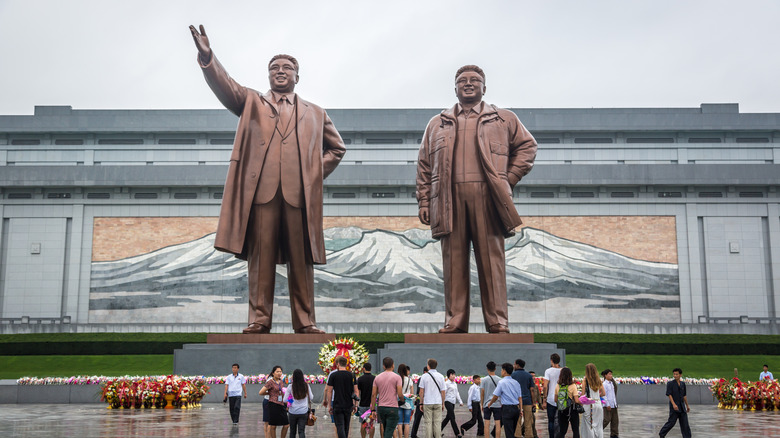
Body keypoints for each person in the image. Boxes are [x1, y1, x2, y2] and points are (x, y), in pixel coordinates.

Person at [188, 24, 347, 334]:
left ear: (297, 77)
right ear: (268, 75)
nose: (280, 71)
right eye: (274, 68)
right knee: (260, 262)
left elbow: (337, 149)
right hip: (261, 195)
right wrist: (208, 57)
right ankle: (260, 319)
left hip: (299, 197)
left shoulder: (315, 112)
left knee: (301, 262)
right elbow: (226, 86)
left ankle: (305, 321)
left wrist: (312, 175)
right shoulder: (252, 103)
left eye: (287, 68)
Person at [416, 64, 537, 334]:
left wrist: (508, 178)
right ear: (455, 88)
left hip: (488, 197)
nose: (468, 84)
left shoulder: (503, 119)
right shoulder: (438, 123)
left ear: (484, 87)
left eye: (474, 80)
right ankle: (455, 321)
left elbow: (528, 147)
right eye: (462, 81)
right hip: (449, 199)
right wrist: (424, 201)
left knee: (491, 261)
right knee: (453, 262)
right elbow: (424, 165)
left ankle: (497, 321)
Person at [325, 356, 359, 438]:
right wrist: (356, 404)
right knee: (346, 427)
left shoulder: (333, 375)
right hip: (348, 404)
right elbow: (356, 391)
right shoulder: (351, 375)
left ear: (338, 364)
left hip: (337, 403)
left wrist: (330, 405)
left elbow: (329, 391)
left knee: (339, 426)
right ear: (346, 364)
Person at [486, 363, 523, 438]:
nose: (501, 371)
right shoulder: (516, 383)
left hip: (507, 409)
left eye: (502, 370)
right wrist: (521, 410)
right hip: (516, 409)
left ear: (504, 371)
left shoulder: (502, 382)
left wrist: (490, 403)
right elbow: (520, 398)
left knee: (509, 432)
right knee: (512, 431)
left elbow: (496, 396)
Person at [372, 357, 404, 438]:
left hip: (381, 407)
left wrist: (373, 409)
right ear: (393, 365)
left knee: (386, 428)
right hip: (392, 407)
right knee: (389, 430)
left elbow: (373, 394)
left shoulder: (377, 377)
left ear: (383, 366)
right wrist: (402, 400)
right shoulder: (397, 377)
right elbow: (400, 393)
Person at [658, 368, 691, 438]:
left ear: (680, 375)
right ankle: (662, 433)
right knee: (671, 422)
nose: (675, 376)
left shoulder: (683, 384)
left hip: (682, 407)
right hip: (674, 407)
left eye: (677, 374)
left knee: (685, 424)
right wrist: (673, 404)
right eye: (674, 374)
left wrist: (687, 406)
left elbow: (684, 395)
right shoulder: (670, 384)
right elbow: (669, 394)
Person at [259, 365, 290, 438]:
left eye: (280, 371)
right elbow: (261, 392)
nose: (279, 373)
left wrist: (287, 403)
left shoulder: (281, 381)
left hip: (282, 404)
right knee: (273, 426)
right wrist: (269, 393)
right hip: (273, 404)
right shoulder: (270, 382)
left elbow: (282, 392)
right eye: (277, 372)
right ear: (273, 373)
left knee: (286, 425)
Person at [419, 358, 447, 438]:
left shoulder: (424, 376)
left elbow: (421, 392)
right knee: (437, 423)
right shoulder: (441, 376)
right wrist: (443, 403)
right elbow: (443, 392)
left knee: (428, 423)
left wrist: (421, 402)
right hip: (438, 402)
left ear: (428, 366)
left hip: (427, 402)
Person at [553, 367, 580, 438]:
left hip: (561, 410)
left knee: (562, 431)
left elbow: (555, 400)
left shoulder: (558, 385)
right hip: (572, 410)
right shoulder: (573, 386)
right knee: (575, 430)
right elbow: (577, 400)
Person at [287, 369, 315, 438]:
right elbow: (311, 397)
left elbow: (285, 399)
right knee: (301, 431)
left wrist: (291, 399)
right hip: (303, 412)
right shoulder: (306, 386)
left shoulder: (290, 386)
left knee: (292, 431)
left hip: (292, 412)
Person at [510, 359, 534, 438]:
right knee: (528, 421)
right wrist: (533, 402)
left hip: (516, 401)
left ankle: (517, 435)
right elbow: (532, 390)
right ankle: (529, 435)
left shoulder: (513, 375)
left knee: (518, 421)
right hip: (527, 401)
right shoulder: (529, 375)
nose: (513, 366)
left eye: (514, 364)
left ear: (517, 365)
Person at [580, 364, 605, 438]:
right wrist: (597, 396)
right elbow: (603, 393)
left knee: (589, 426)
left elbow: (583, 394)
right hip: (598, 404)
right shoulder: (599, 380)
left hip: (589, 405)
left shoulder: (585, 380)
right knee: (598, 426)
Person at [541, 354, 562, 438]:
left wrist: (544, 399)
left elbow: (545, 386)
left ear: (551, 360)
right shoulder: (563, 370)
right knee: (560, 420)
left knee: (551, 420)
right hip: (561, 397)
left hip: (550, 398)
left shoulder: (548, 371)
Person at [481, 361, 502, 438]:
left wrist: (482, 404)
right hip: (497, 404)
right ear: (495, 369)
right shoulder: (500, 380)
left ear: (487, 369)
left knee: (486, 423)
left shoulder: (484, 380)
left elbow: (482, 392)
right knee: (498, 423)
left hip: (487, 404)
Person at [441, 369, 464, 437]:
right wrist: (442, 402)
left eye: (454, 374)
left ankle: (438, 430)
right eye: (452, 374)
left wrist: (460, 401)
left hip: (453, 402)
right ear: (449, 375)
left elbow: (457, 393)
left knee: (448, 418)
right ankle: (457, 433)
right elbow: (443, 393)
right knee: (452, 417)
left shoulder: (454, 384)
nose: (454, 376)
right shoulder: (446, 383)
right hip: (447, 401)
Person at [358, 363, 377, 438]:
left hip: (363, 404)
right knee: (371, 423)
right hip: (372, 405)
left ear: (364, 369)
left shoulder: (360, 379)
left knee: (363, 423)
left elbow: (358, 392)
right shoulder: (375, 378)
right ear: (371, 369)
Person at [397, 364, 414, 438]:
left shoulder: (397, 379)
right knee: (407, 423)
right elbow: (412, 394)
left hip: (398, 403)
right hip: (407, 403)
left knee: (399, 423)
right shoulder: (410, 380)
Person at [411, 366, 429, 438]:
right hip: (422, 402)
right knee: (419, 419)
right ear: (425, 372)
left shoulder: (422, 379)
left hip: (421, 401)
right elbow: (419, 391)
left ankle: (413, 434)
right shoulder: (422, 379)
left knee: (420, 419)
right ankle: (413, 434)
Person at [600, 369, 618, 438]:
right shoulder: (604, 384)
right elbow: (604, 395)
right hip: (607, 405)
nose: (611, 376)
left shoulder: (612, 384)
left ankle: (614, 435)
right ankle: (598, 430)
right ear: (605, 375)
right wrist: (607, 404)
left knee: (615, 421)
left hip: (614, 405)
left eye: (611, 374)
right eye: (609, 374)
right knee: (606, 420)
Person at [527, 372, 540, 438]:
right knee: (532, 420)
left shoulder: (535, 386)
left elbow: (538, 395)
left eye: (534, 376)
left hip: (533, 405)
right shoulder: (527, 385)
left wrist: (540, 403)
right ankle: (535, 435)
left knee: (530, 420)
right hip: (528, 405)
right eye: (532, 376)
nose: (533, 377)